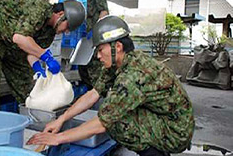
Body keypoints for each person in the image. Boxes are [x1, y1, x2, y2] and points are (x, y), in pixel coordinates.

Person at [27, 16, 195, 156]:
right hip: (160, 116)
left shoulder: (134, 75)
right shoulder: (118, 62)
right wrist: (61, 119)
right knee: (114, 115)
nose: (98, 56)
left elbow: (102, 122)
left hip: (176, 130)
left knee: (117, 123)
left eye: (100, 50)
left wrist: (59, 138)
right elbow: (93, 94)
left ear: (118, 47)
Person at [0, 0, 85, 110]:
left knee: (27, 86)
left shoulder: (50, 32)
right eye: (67, 27)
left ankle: (35, 119)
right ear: (61, 14)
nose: (66, 32)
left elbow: (30, 51)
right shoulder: (38, 8)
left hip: (12, 44)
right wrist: (46, 57)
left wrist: (37, 67)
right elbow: (20, 38)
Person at [76, 0, 109, 90]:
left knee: (93, 66)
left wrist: (96, 31)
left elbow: (104, 12)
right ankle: (90, 91)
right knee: (83, 65)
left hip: (96, 36)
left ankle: (98, 93)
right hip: (91, 35)